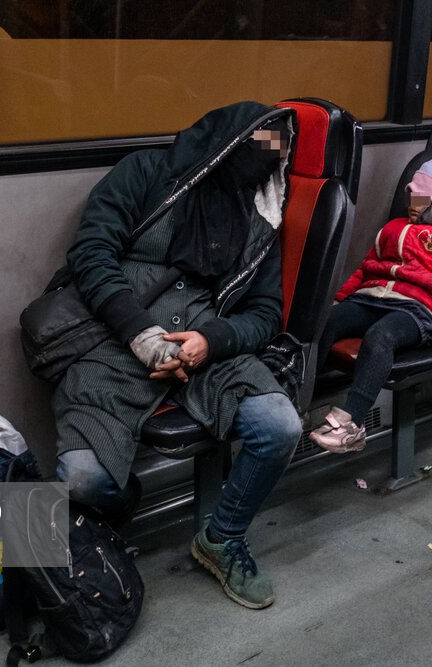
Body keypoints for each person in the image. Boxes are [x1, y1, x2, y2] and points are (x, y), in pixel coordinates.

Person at [51, 101, 302, 610]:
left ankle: (222, 537)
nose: (263, 162)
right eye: (255, 146)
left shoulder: (259, 221)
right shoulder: (145, 173)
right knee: (81, 480)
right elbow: (91, 253)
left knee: (281, 426)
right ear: (224, 141)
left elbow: (266, 312)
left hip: (205, 343)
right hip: (117, 338)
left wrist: (211, 341)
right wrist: (141, 334)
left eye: (275, 152)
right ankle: (124, 501)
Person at [310, 152, 432, 453]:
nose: (412, 206)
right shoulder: (393, 228)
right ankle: (298, 400)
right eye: (411, 197)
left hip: (420, 310)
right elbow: (365, 268)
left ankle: (352, 423)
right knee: (325, 322)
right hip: (374, 296)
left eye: (421, 200)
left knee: (380, 337)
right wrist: (339, 300)